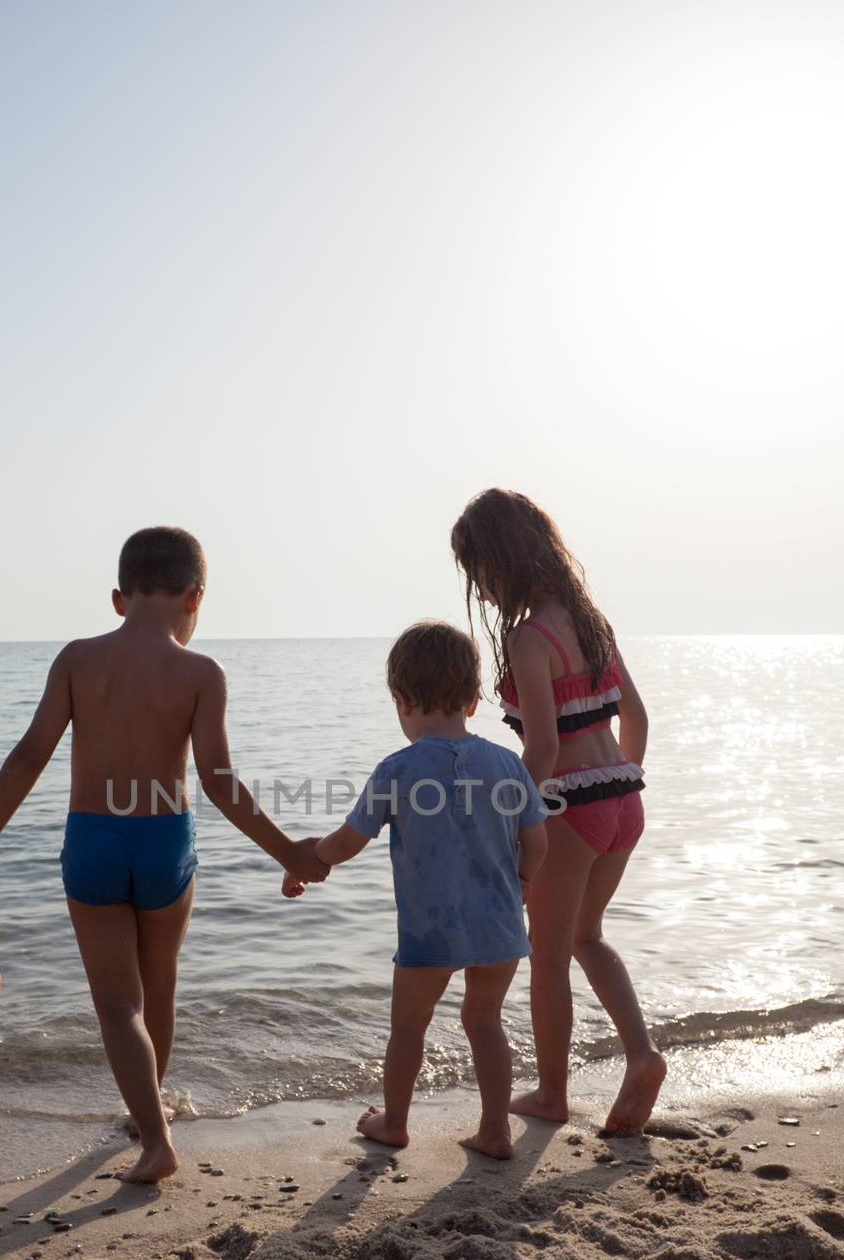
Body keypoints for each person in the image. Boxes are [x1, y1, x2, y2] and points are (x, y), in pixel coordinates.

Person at [0, 526, 328, 1182]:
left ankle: (153, 1136)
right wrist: (288, 853)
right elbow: (219, 782)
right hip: (164, 840)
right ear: (195, 597)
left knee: (117, 1006)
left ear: (119, 598)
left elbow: (29, 753)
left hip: (94, 840)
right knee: (160, 988)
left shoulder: (77, 660)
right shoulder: (201, 673)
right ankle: (152, 1120)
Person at [282, 620, 548, 1159]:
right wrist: (520, 884)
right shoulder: (507, 765)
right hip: (500, 924)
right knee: (485, 1021)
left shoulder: (398, 769)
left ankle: (395, 1123)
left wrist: (307, 858)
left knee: (408, 1025)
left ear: (402, 700)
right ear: (474, 702)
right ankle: (495, 1130)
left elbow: (349, 842)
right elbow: (537, 842)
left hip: (432, 929)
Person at [451, 487, 664, 1135]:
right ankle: (642, 1053)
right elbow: (637, 716)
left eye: (479, 573)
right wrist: (618, 782)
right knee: (586, 938)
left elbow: (541, 745)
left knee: (548, 955)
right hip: (623, 800)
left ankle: (550, 1093)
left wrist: (514, 819)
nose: (481, 590)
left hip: (569, 807)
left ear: (503, 560)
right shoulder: (591, 622)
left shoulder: (528, 638)